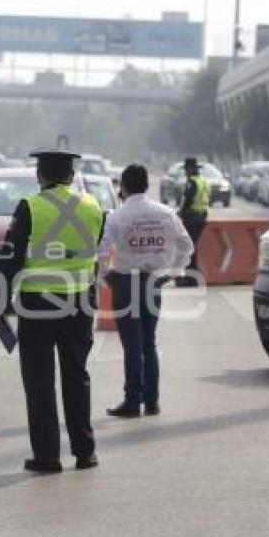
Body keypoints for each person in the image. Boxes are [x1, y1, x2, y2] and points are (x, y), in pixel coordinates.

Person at [0, 150, 104, 474]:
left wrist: (2, 301)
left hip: (38, 303)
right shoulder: (93, 206)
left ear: (40, 177)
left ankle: (47, 457)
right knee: (77, 375)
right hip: (80, 303)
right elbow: (94, 248)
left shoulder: (30, 207)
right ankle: (85, 453)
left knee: (40, 381)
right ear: (72, 177)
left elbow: (11, 257)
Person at [98, 165, 194, 418]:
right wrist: (174, 272)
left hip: (125, 284)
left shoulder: (117, 216)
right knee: (149, 342)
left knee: (132, 345)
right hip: (153, 282)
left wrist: (103, 276)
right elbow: (186, 244)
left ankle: (132, 401)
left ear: (124, 186)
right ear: (146, 186)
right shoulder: (165, 213)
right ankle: (152, 401)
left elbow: (102, 252)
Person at [177, 157, 209, 287]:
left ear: (190, 169)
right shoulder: (203, 181)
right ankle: (192, 279)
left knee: (188, 248)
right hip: (202, 216)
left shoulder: (192, 182)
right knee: (192, 248)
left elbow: (189, 199)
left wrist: (181, 212)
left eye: (186, 169)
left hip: (192, 217)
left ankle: (190, 279)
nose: (185, 172)